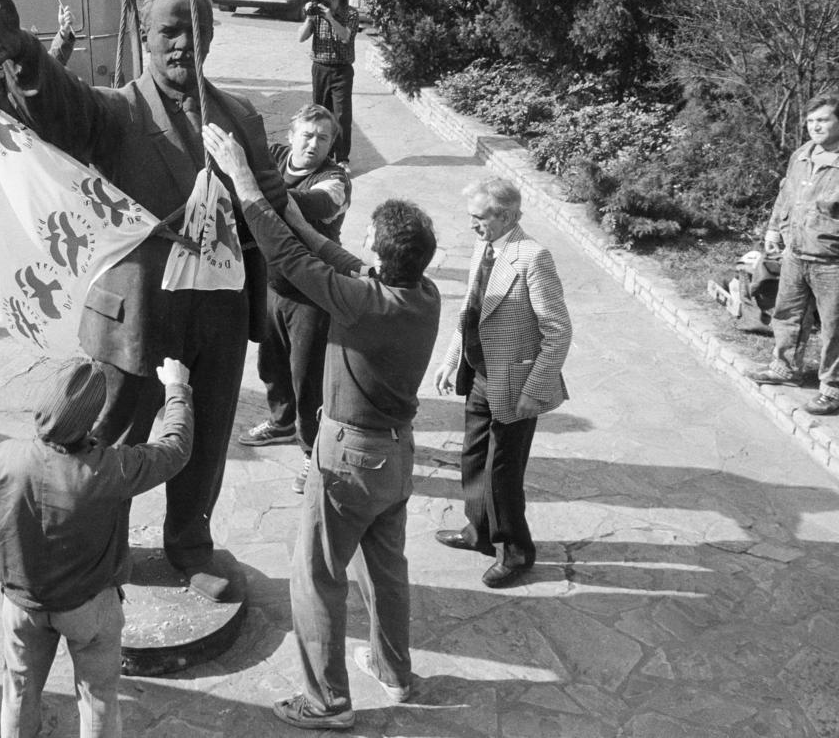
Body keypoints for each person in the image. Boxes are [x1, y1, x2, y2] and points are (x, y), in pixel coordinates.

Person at [0, 0, 290, 600]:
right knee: (112, 444)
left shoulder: (241, 117)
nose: (182, 44)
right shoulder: (119, 111)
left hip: (217, 316)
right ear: (146, 39)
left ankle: (189, 541)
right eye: (169, 30)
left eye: (194, 31)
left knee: (205, 437)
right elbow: (64, 108)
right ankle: (103, 548)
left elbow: (271, 212)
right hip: (137, 319)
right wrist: (29, 58)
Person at [206, 121, 440, 729]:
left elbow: (287, 256)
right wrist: (282, 200)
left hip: (349, 460)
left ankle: (325, 703)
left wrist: (239, 178)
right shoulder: (423, 294)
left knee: (316, 577)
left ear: (384, 258)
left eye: (369, 241)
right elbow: (324, 247)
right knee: (385, 570)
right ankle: (394, 672)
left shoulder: (362, 302)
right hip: (395, 457)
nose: (359, 244)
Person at [0, 357, 193, 738]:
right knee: (97, 696)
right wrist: (177, 390)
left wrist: (15, 568)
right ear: (90, 421)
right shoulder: (110, 469)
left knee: (20, 690)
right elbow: (174, 449)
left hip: (22, 605)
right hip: (89, 609)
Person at [433, 177, 572, 589]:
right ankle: (478, 532)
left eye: (478, 217)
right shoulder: (485, 246)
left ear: (506, 215)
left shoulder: (533, 257)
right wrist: (451, 358)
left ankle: (516, 551)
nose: (472, 225)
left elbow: (558, 331)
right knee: (473, 459)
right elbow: (470, 310)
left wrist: (534, 390)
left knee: (502, 474)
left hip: (513, 383)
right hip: (479, 375)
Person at [238, 106, 351, 494]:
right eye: (306, 135)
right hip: (272, 284)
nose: (313, 144)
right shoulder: (276, 158)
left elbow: (314, 205)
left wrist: (247, 182)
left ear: (331, 143)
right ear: (291, 135)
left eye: (323, 138)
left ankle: (312, 449)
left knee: (308, 377)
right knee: (271, 363)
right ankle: (281, 422)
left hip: (312, 295)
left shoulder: (335, 180)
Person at [752, 95, 839, 416]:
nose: (815, 126)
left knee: (837, 329)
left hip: (837, 263)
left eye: (823, 120)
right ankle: (785, 369)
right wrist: (772, 231)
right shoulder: (802, 155)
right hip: (795, 254)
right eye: (810, 121)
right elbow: (786, 196)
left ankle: (833, 389)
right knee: (787, 314)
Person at [299, 0, 356, 163]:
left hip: (341, 71)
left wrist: (329, 17)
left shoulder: (351, 14)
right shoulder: (317, 11)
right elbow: (301, 37)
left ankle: (342, 159)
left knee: (341, 116)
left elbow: (345, 36)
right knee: (320, 113)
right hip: (320, 68)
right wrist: (309, 17)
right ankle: (324, 155)